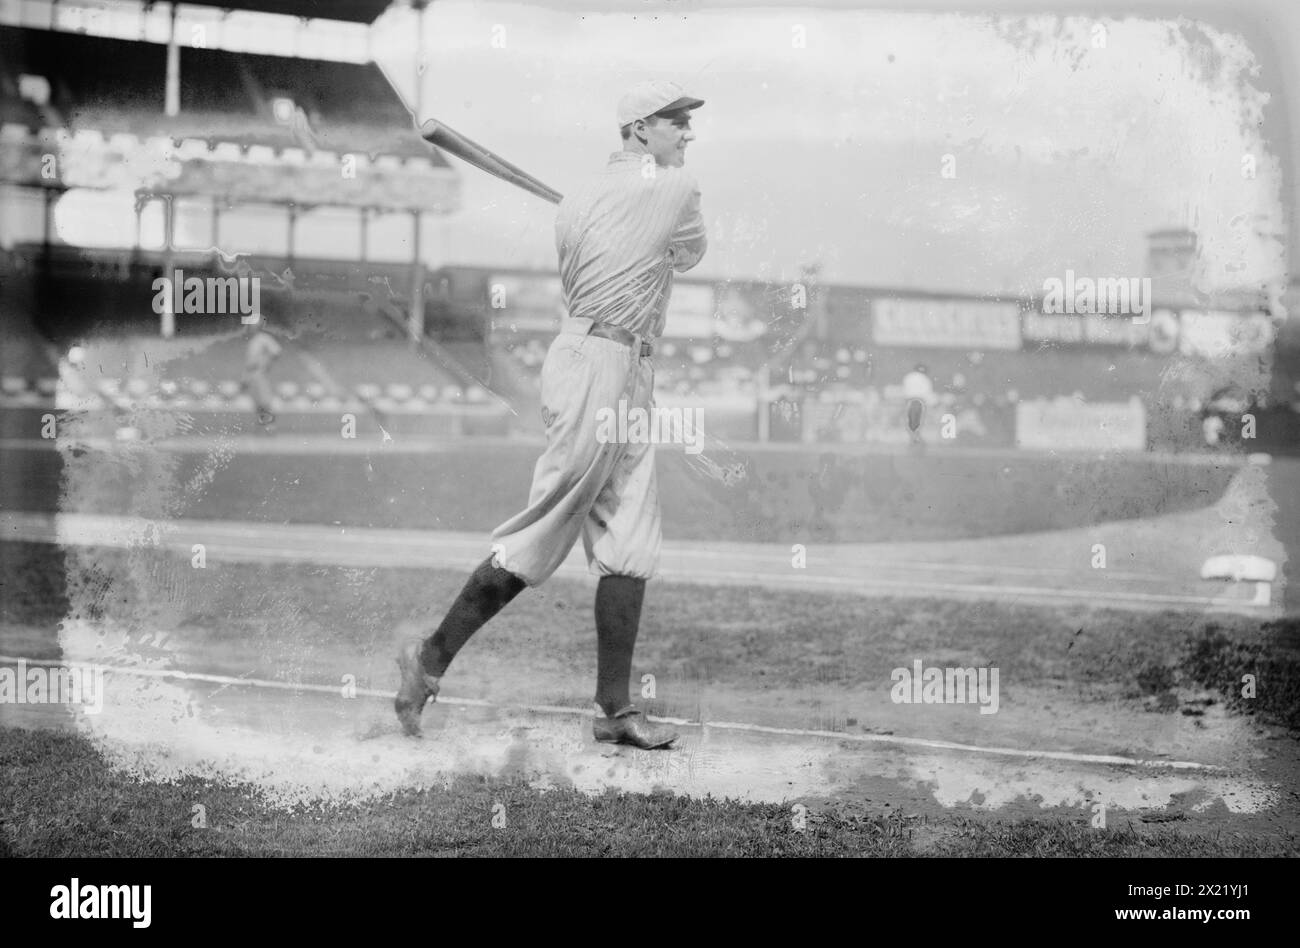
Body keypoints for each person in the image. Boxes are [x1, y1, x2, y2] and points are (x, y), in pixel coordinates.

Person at [394, 80, 708, 749]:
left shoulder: (577, 206)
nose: (687, 132)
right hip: (599, 364)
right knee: (545, 528)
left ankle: (614, 710)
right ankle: (428, 659)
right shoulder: (677, 191)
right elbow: (691, 251)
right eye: (676, 121)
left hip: (618, 364)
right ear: (639, 128)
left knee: (629, 540)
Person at [242, 318, 283, 432]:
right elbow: (249, 363)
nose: (249, 328)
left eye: (251, 326)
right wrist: (244, 378)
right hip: (251, 375)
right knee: (257, 403)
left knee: (265, 402)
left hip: (260, 374)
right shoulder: (252, 340)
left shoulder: (263, 338)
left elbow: (276, 351)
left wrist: (266, 364)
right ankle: (262, 426)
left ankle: (270, 426)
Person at [901, 363, 935, 444]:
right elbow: (928, 394)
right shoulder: (925, 379)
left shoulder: (908, 377)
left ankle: (913, 437)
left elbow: (905, 391)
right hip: (920, 401)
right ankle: (916, 437)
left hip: (909, 401)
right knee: (918, 421)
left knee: (910, 421)